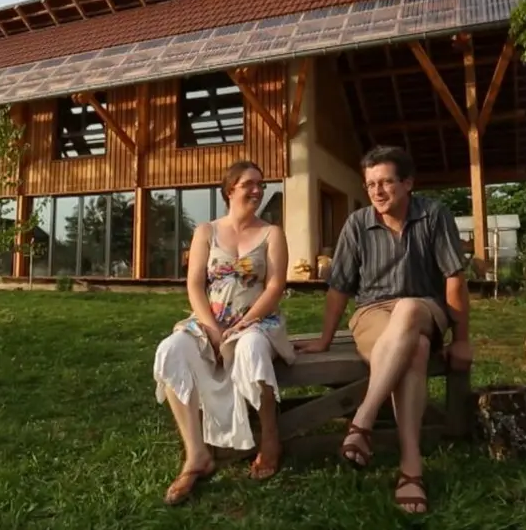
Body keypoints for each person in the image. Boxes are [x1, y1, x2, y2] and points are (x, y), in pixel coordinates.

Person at [294, 145, 473, 514]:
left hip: (423, 307)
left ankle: (363, 420)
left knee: (408, 309)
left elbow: (454, 280)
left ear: (407, 183)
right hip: (372, 313)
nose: (377, 191)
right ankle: (411, 467)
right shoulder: (358, 223)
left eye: (386, 182)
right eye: (370, 184)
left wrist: (462, 340)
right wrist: (325, 340)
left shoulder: (434, 215)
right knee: (417, 351)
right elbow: (340, 286)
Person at [152, 160, 293, 505]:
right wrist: (213, 329)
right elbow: (194, 286)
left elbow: (275, 286)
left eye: (261, 184)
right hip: (211, 319)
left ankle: (270, 438)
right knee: (172, 349)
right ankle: (197, 454)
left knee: (251, 350)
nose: (258, 190)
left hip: (258, 320)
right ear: (230, 189)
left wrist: (246, 321)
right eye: (250, 184)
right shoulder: (206, 231)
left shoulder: (272, 233)